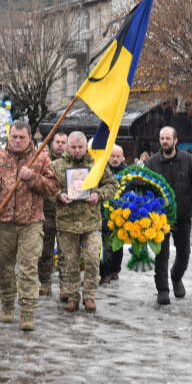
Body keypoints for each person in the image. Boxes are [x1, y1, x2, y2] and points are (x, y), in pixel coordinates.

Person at [0, 121, 60, 331]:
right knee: (3, 266)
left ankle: (28, 310)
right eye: (14, 137)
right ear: (9, 136)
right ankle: (6, 303)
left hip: (31, 223)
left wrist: (33, 178)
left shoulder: (41, 158)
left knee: (28, 266)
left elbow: (53, 187)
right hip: (3, 223)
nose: (17, 141)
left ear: (30, 138)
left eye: (22, 138)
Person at [53, 131, 117, 313]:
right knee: (71, 263)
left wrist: (99, 195)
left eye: (80, 147)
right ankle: (73, 297)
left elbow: (112, 185)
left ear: (86, 146)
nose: (77, 150)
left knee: (92, 258)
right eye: (73, 147)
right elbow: (47, 188)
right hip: (67, 223)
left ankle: (89, 296)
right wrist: (58, 196)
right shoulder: (57, 166)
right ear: (67, 146)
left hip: (91, 222)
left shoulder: (96, 164)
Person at [145, 127, 192, 305]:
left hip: (182, 216)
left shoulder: (189, 161)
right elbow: (145, 189)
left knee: (184, 252)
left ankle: (176, 276)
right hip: (160, 218)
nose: (164, 141)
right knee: (162, 255)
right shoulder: (151, 163)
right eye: (161, 138)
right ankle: (163, 290)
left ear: (175, 141)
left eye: (167, 138)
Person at [40, 132, 68, 300]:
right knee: (45, 250)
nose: (60, 145)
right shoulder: (43, 161)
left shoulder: (73, 162)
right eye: (57, 142)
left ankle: (65, 286)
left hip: (66, 213)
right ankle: (45, 283)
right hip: (47, 212)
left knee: (66, 252)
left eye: (63, 142)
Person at [100, 145, 127, 285]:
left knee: (118, 245)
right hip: (104, 213)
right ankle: (105, 273)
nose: (115, 159)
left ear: (123, 157)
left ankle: (116, 270)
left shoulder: (128, 172)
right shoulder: (102, 170)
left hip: (122, 214)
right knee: (106, 244)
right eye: (113, 156)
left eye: (118, 156)